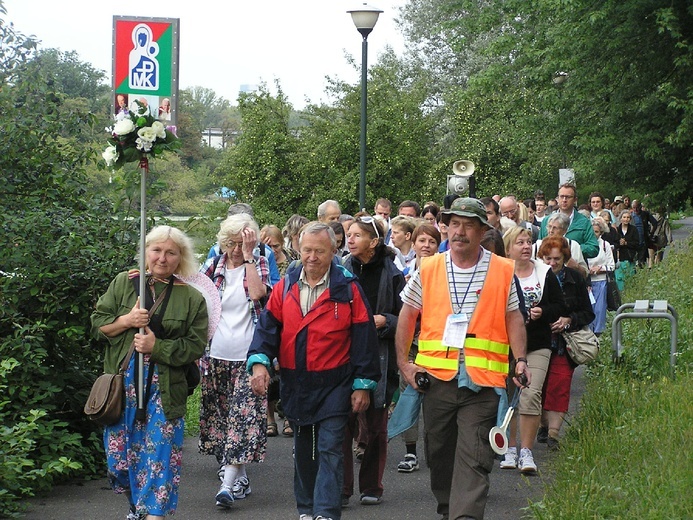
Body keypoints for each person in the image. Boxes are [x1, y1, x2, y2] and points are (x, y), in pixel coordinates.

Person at [395, 197, 530, 520]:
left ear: (483, 230)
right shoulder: (428, 268)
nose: (459, 231)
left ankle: (464, 516)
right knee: (439, 455)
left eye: (468, 225)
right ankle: (448, 510)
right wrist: (404, 363)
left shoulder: (500, 269)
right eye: (454, 224)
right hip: (437, 381)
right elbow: (407, 314)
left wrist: (521, 359)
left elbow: (514, 318)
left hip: (482, 384)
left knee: (474, 454)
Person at [247, 222, 380, 520]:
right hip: (297, 382)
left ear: (334, 251)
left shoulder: (348, 288)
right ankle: (306, 509)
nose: (312, 257)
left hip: (336, 382)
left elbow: (364, 338)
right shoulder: (286, 285)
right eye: (307, 250)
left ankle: (326, 513)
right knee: (305, 451)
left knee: (331, 447)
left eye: (320, 251)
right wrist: (259, 363)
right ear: (299, 248)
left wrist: (363, 384)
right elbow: (267, 329)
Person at [91, 226, 208, 520]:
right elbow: (98, 326)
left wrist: (157, 347)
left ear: (180, 257)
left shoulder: (192, 298)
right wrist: (127, 320)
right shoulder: (123, 283)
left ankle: (153, 515)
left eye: (171, 252)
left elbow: (195, 346)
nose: (162, 258)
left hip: (165, 388)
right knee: (120, 461)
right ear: (146, 252)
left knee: (158, 457)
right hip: (123, 386)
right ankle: (138, 509)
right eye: (156, 250)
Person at [198, 214, 272, 508]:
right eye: (231, 243)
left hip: (248, 357)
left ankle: (226, 486)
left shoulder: (258, 263)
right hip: (215, 356)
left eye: (241, 243)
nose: (235, 249)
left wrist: (250, 257)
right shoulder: (214, 267)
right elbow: (193, 292)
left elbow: (258, 294)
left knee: (242, 420)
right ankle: (239, 478)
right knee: (223, 421)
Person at [342, 216, 405, 507]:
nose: (350, 239)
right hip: (343, 354)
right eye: (349, 234)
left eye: (357, 235)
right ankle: (341, 487)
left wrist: (387, 320)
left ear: (374, 242)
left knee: (377, 425)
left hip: (380, 355)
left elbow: (407, 318)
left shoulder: (393, 273)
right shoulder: (341, 269)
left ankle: (371, 487)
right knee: (342, 422)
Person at [500, 227, 566, 474]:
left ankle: (526, 452)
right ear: (509, 249)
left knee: (530, 393)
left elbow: (559, 305)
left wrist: (543, 312)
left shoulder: (544, 272)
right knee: (508, 397)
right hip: (504, 345)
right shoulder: (500, 273)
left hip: (537, 344)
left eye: (529, 242)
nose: (526, 247)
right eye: (520, 243)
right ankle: (509, 447)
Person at [537, 236, 595, 450]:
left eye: (557, 259)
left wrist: (569, 320)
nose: (552, 263)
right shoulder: (535, 277)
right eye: (548, 258)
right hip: (539, 341)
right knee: (539, 387)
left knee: (559, 386)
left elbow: (588, 313)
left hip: (565, 344)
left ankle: (553, 434)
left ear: (565, 258)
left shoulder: (575, 278)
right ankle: (543, 425)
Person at [392, 223, 441, 474]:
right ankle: (410, 452)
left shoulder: (445, 272)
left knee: (435, 401)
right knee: (408, 394)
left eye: (432, 242)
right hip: (411, 344)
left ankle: (436, 452)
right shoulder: (404, 273)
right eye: (422, 241)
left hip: (436, 347)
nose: (426, 246)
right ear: (414, 245)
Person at [259, 224, 300, 437]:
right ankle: (269, 417)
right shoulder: (260, 264)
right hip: (267, 319)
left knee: (285, 371)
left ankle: (287, 417)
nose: (272, 250)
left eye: (275, 246)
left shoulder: (292, 264)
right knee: (268, 372)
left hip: (287, 319)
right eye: (267, 246)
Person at [539, 183, 599, 259]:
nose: (564, 200)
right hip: (550, 266)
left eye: (568, 197)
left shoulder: (584, 222)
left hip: (575, 267)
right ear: (557, 198)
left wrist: (572, 248)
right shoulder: (546, 220)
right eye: (562, 196)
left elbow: (593, 248)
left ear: (575, 199)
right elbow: (539, 247)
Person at [533, 213, 589, 278]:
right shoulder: (537, 245)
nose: (551, 231)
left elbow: (585, 274)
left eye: (555, 228)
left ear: (564, 230)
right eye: (549, 226)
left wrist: (576, 266)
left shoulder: (572, 245)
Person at [587, 217, 615, 336]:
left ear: (601, 232)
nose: (594, 234)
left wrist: (600, 268)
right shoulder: (585, 245)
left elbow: (611, 266)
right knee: (588, 309)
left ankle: (598, 335)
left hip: (601, 282)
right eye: (592, 231)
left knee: (599, 310)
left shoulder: (605, 245)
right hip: (587, 282)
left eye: (597, 231)